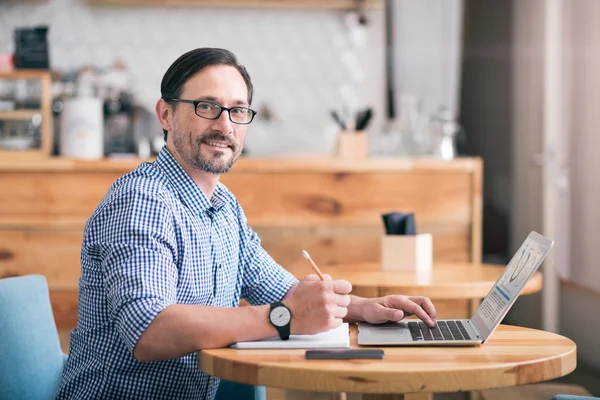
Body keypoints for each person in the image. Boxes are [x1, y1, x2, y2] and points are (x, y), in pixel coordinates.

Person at [57, 48, 437, 400]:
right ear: (166, 114)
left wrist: (363, 308)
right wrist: (284, 317)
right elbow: (150, 331)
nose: (225, 125)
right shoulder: (142, 201)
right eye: (207, 106)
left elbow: (280, 289)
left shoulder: (224, 208)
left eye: (238, 111)